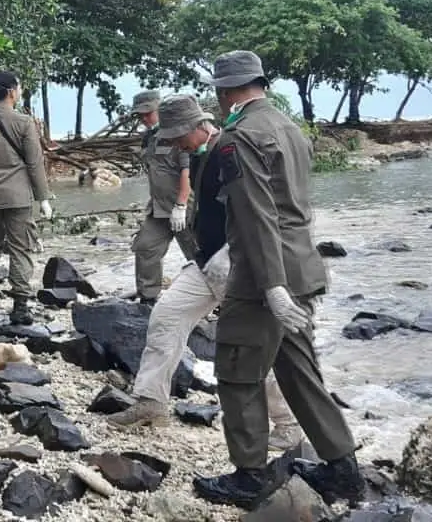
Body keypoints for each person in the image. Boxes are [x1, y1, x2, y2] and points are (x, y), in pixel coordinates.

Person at [192, 51, 364, 509]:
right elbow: (295, 207)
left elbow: (256, 214)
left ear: (224, 91)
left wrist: (270, 285)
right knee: (298, 368)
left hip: (264, 272)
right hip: (303, 263)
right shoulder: (290, 127)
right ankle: (342, 467)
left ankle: (249, 476)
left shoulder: (238, 137)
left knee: (238, 369)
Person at [106, 95, 303, 450]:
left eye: (179, 135)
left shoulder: (232, 152)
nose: (176, 143)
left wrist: (267, 278)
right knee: (166, 316)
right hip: (206, 262)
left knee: (252, 346)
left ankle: (288, 423)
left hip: (240, 264)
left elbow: (262, 212)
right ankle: (151, 401)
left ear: (200, 126)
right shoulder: (198, 155)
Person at [0, 71, 54, 325]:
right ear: (11, 92)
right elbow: (35, 164)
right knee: (21, 249)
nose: (21, 91)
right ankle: (20, 306)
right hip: (19, 198)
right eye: (19, 87)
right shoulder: (25, 123)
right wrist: (43, 199)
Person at [131, 91, 193, 306]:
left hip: (185, 207)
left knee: (199, 255)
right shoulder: (149, 138)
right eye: (141, 116)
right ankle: (148, 297)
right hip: (158, 207)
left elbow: (187, 170)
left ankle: (219, 300)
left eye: (149, 113)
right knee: (145, 246)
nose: (145, 119)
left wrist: (182, 204)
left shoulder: (180, 134)